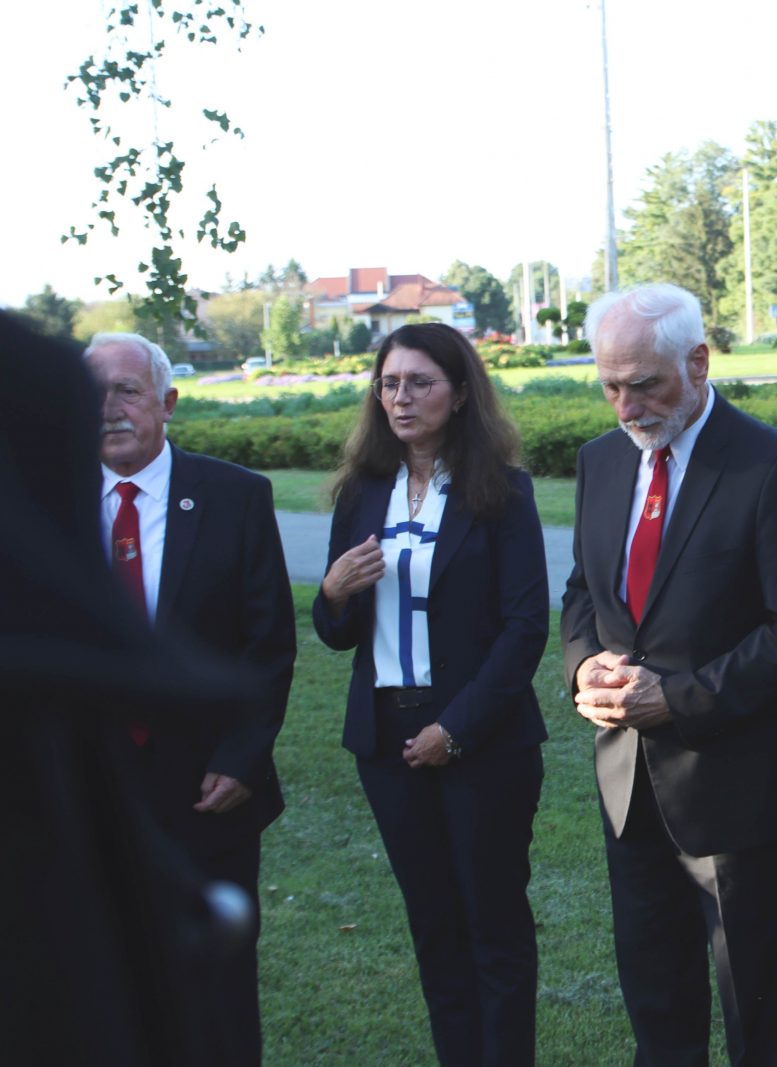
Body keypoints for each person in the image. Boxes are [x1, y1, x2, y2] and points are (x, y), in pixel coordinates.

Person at [559, 283, 777, 1066]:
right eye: (610, 385)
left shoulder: (771, 464)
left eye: (645, 383)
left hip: (738, 785)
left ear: (699, 362)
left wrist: (676, 698)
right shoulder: (600, 461)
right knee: (656, 1000)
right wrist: (582, 667)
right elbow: (582, 590)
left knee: (754, 1003)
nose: (627, 406)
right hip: (628, 783)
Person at [313, 322, 547, 1066]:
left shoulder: (501, 491)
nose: (401, 398)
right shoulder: (362, 493)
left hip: (483, 742)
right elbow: (337, 632)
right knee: (435, 931)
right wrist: (332, 592)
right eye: (389, 383)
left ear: (460, 393)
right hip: (386, 743)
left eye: (420, 382)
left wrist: (458, 728)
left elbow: (525, 627)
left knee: (493, 930)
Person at [85, 330, 296, 1066]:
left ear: (168, 402)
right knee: (102, 984)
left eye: (127, 390)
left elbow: (268, 645)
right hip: (89, 795)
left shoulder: (236, 497)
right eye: (93, 393)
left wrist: (242, 757)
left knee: (217, 988)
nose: (109, 408)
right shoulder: (41, 501)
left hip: (209, 789)